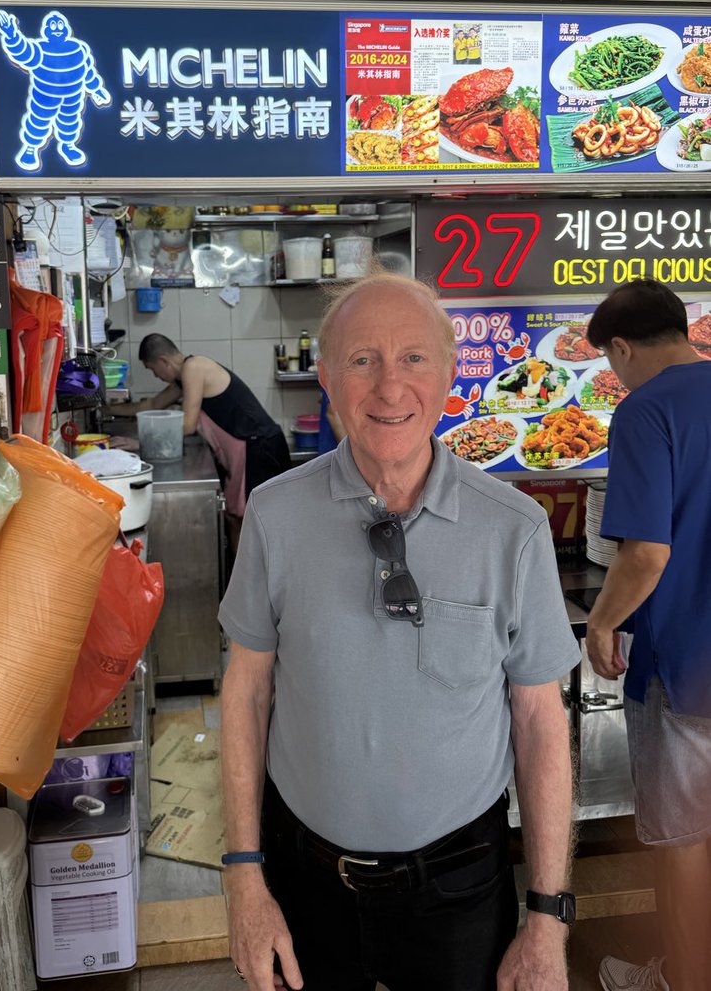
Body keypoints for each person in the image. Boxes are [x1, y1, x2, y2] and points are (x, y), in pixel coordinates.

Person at [218, 273, 580, 991]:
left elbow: (541, 721)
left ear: (450, 376)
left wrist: (547, 918)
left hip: (459, 889)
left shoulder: (512, 529)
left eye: (414, 358)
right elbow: (245, 695)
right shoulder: (273, 515)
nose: (389, 388)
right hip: (305, 879)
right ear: (325, 377)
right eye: (362, 360)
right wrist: (243, 879)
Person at [584, 280, 711, 991]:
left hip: (688, 667)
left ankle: (681, 981)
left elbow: (646, 554)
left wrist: (601, 621)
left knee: (684, 844)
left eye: (610, 361)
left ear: (623, 349)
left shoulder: (644, 412)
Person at [110, 334, 290, 533]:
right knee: (236, 519)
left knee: (258, 523)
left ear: (163, 361)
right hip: (249, 449)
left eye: (153, 370)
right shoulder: (185, 377)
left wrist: (141, 443)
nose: (156, 376)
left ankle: (257, 565)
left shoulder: (194, 368)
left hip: (260, 447)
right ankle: (241, 564)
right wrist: (106, 409)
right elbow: (152, 404)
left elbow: (188, 426)